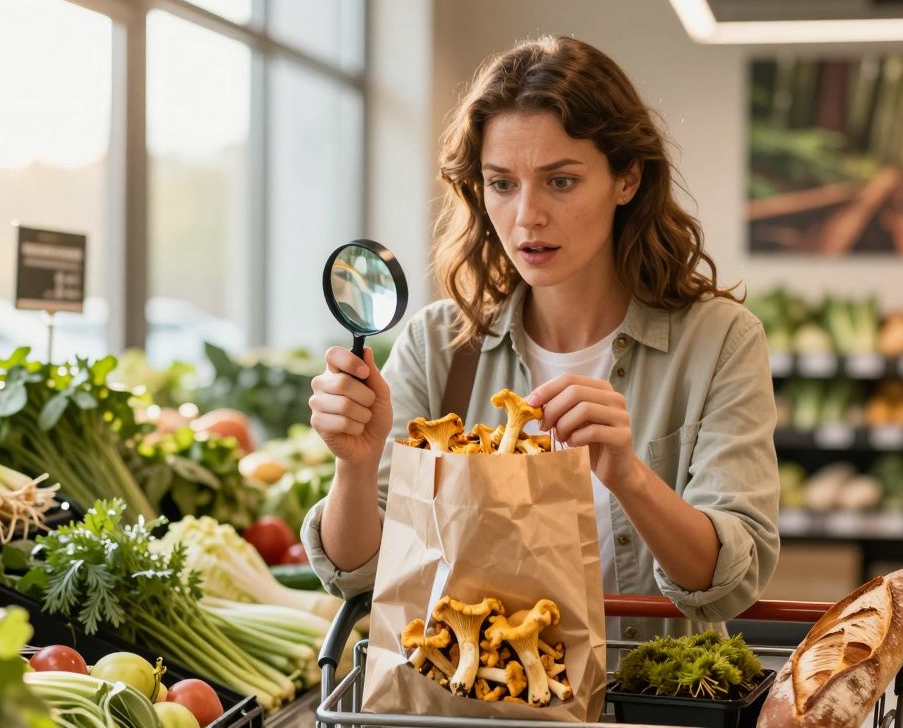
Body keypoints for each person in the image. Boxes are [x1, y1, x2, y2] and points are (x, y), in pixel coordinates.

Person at [303, 36, 779, 639]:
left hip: (644, 702)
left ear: (627, 178)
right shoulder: (437, 346)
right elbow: (360, 575)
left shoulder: (719, 342)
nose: (528, 215)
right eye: (502, 183)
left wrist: (628, 475)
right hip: (475, 705)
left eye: (560, 181)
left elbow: (732, 581)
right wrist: (355, 464)